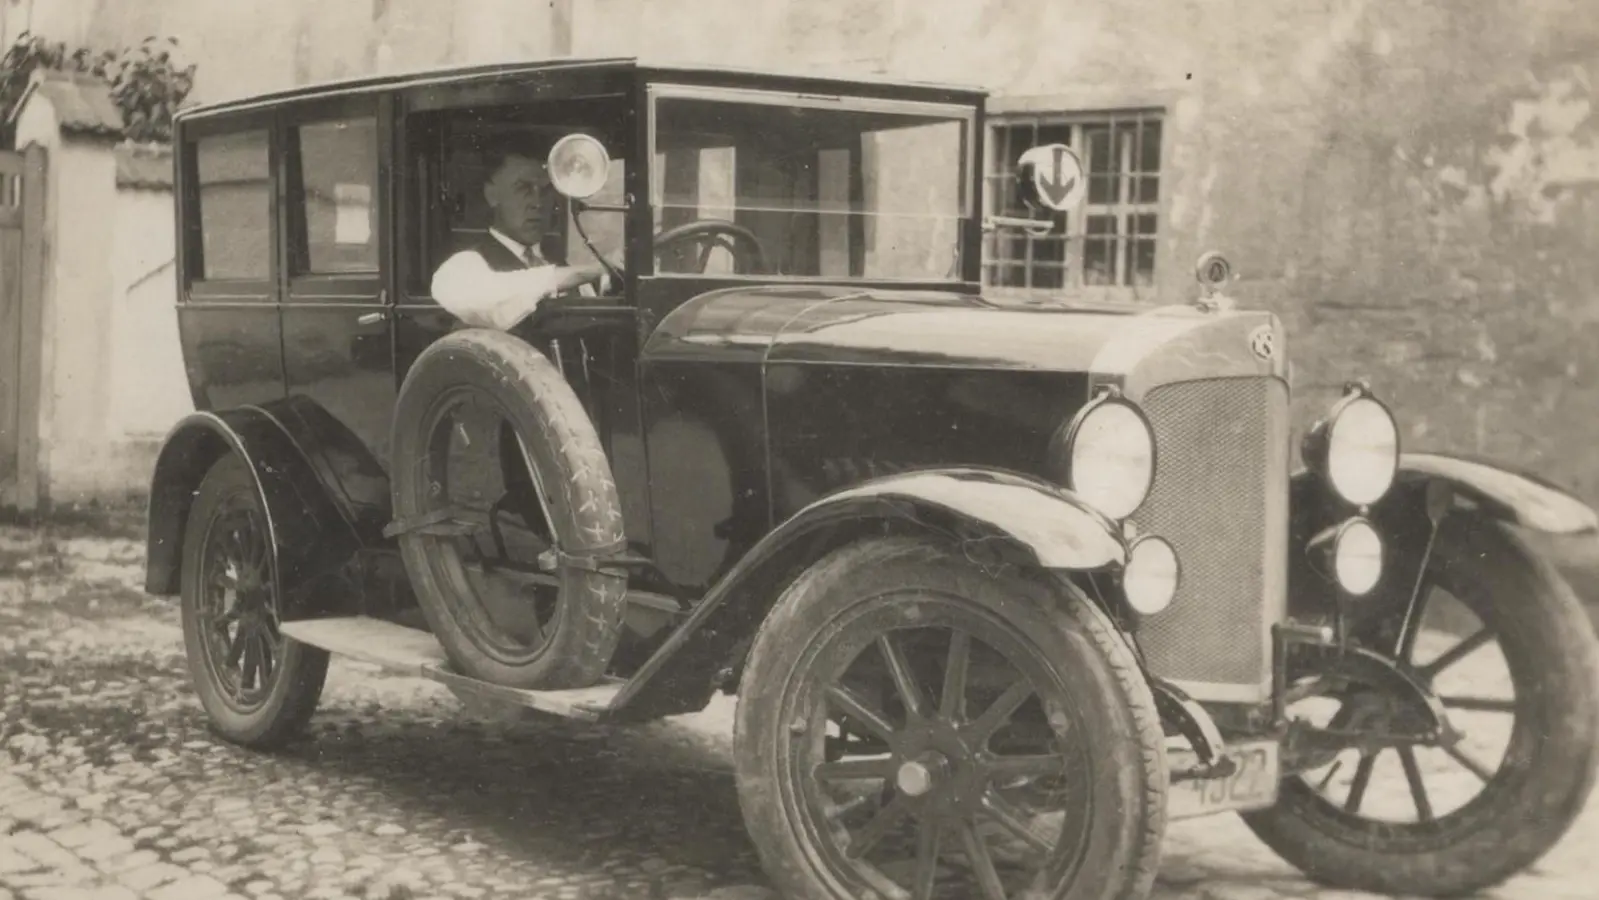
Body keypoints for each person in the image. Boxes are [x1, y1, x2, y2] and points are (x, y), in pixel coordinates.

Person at [430, 144, 623, 331]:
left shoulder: (563, 265)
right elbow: (490, 296)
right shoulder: (464, 266)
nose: (537, 203)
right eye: (523, 189)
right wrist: (592, 270)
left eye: (546, 190)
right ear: (492, 194)